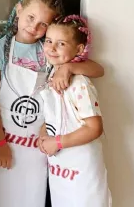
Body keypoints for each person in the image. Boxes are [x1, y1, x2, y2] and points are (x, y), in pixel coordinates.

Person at [0, 0, 105, 207]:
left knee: (32, 197)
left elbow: (99, 70)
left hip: (37, 144)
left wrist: (69, 68)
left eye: (43, 24)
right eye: (30, 18)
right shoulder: (1, 49)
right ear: (19, 10)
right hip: (5, 139)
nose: (34, 27)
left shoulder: (49, 50)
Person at [39, 15, 111, 206]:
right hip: (61, 171)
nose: (52, 48)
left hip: (81, 173)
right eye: (48, 41)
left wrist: (57, 142)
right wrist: (44, 133)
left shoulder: (79, 83)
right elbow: (55, 117)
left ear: (79, 49)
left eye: (61, 44)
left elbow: (94, 128)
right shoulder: (51, 74)